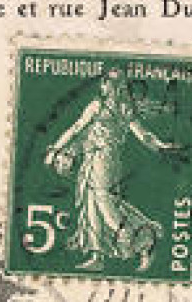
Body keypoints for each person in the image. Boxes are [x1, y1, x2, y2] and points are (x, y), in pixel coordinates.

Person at [43, 70, 182, 272]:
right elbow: (77, 130)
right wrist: (57, 150)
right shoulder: (103, 106)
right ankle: (97, 255)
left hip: (105, 160)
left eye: (115, 83)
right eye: (109, 83)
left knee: (105, 204)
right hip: (92, 159)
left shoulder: (118, 108)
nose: (110, 87)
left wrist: (161, 146)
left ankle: (144, 239)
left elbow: (142, 134)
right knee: (91, 205)